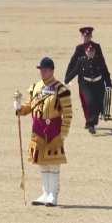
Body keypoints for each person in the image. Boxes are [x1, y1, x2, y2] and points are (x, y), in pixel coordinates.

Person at [14, 57, 72, 206]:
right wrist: (20, 109)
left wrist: (63, 132)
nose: (42, 72)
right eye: (41, 70)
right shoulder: (35, 87)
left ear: (52, 70)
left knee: (53, 164)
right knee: (42, 163)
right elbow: (29, 106)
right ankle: (45, 193)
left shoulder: (61, 89)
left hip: (54, 129)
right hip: (38, 129)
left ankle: (53, 194)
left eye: (45, 70)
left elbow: (68, 113)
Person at [65, 26, 112, 131]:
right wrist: (67, 78)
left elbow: (102, 64)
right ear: (82, 36)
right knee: (87, 102)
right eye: (85, 35)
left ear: (91, 36)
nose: (87, 37)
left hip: (97, 79)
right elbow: (73, 63)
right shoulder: (79, 48)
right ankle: (89, 121)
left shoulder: (97, 46)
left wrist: (108, 81)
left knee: (96, 102)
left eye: (89, 35)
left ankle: (91, 121)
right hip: (83, 80)